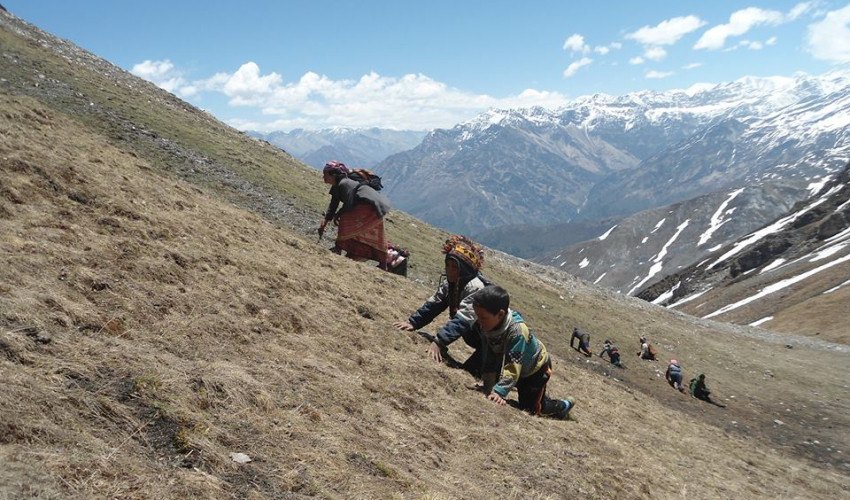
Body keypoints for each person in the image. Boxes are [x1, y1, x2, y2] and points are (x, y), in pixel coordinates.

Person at [472, 285, 574, 419]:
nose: (478, 321)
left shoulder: (517, 332)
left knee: (532, 408)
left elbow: (513, 365)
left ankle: (563, 405)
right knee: (528, 395)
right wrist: (489, 386)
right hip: (520, 368)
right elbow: (489, 356)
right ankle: (538, 395)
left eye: (483, 317)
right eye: (477, 316)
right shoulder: (488, 326)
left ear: (500, 314)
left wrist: (500, 392)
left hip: (536, 368)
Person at [392, 235, 490, 374]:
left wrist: (439, 342)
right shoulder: (451, 283)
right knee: (467, 372)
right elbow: (435, 304)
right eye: (447, 265)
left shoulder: (476, 288)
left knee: (472, 373)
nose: (449, 270)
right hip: (480, 339)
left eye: (455, 267)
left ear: (464, 270)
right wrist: (413, 322)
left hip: (495, 343)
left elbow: (463, 319)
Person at [318, 161, 391, 268]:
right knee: (374, 235)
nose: (323, 176)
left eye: (325, 174)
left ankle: (338, 248)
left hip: (369, 205)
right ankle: (380, 262)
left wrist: (338, 215)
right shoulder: (337, 186)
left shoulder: (344, 184)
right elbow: (333, 205)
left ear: (333, 175)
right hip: (372, 205)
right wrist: (326, 221)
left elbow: (349, 202)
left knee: (345, 220)